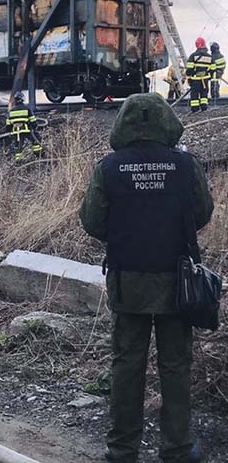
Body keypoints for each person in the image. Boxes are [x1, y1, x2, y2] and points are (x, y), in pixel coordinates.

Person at [79, 93, 213, 463]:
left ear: (123, 124)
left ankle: (122, 450)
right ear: (167, 122)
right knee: (175, 364)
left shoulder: (109, 168)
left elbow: (92, 221)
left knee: (127, 363)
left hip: (128, 281)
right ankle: (178, 448)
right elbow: (203, 212)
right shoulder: (186, 166)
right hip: (177, 282)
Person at [6, 92, 41, 161]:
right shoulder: (26, 109)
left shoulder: (11, 111)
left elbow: (8, 124)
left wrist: (10, 131)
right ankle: (39, 154)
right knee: (35, 141)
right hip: (26, 130)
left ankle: (18, 160)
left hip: (16, 132)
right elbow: (33, 121)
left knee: (18, 146)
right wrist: (34, 127)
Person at [186, 37, 212, 112]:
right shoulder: (209, 56)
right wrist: (208, 75)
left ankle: (195, 109)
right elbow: (213, 68)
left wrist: (189, 75)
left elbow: (189, 68)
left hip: (195, 80)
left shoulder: (193, 56)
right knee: (204, 94)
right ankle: (204, 108)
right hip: (205, 79)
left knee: (194, 94)